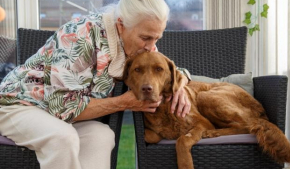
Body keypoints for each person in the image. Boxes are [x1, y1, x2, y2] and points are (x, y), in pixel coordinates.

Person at [0, 0, 191, 168]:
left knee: (102, 136)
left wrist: (180, 85)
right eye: (146, 38)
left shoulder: (138, 46)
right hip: (18, 105)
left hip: (64, 117)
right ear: (121, 25)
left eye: (156, 38)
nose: (151, 46)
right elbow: (62, 105)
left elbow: (168, 68)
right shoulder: (81, 34)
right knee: (62, 138)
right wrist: (123, 102)